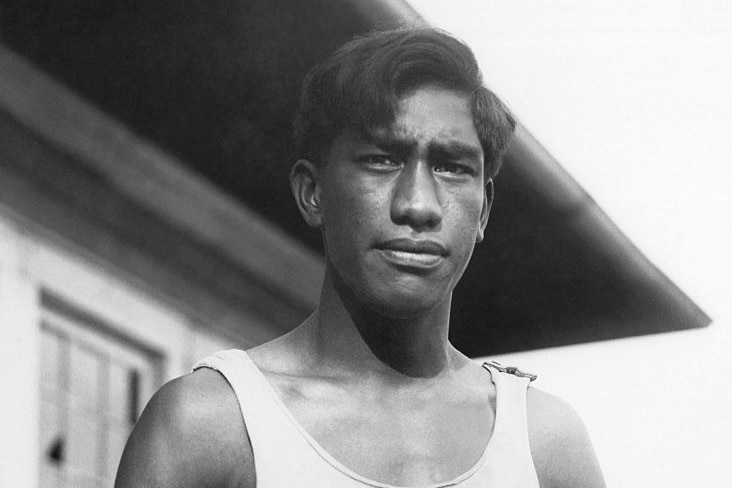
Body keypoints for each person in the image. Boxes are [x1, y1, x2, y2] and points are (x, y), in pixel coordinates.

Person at [115, 27, 605, 488]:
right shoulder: (211, 426)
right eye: (382, 160)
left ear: (484, 211)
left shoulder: (542, 446)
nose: (417, 205)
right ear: (313, 193)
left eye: (452, 167)